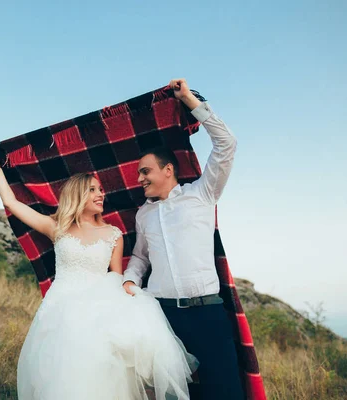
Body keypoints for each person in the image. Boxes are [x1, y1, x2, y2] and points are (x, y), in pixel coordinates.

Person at [0, 148, 198, 400]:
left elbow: (116, 277)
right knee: (63, 379)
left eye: (101, 189)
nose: (100, 194)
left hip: (97, 315)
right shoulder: (57, 228)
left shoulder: (113, 234)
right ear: (78, 195)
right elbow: (11, 203)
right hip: (59, 313)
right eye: (93, 190)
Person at [123, 79, 244, 399]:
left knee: (225, 392)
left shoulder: (202, 194)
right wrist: (130, 280)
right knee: (172, 395)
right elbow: (139, 257)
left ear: (167, 170)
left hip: (208, 314)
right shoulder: (143, 214)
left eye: (145, 171)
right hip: (163, 318)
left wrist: (190, 100)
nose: (139, 179)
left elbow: (227, 144)